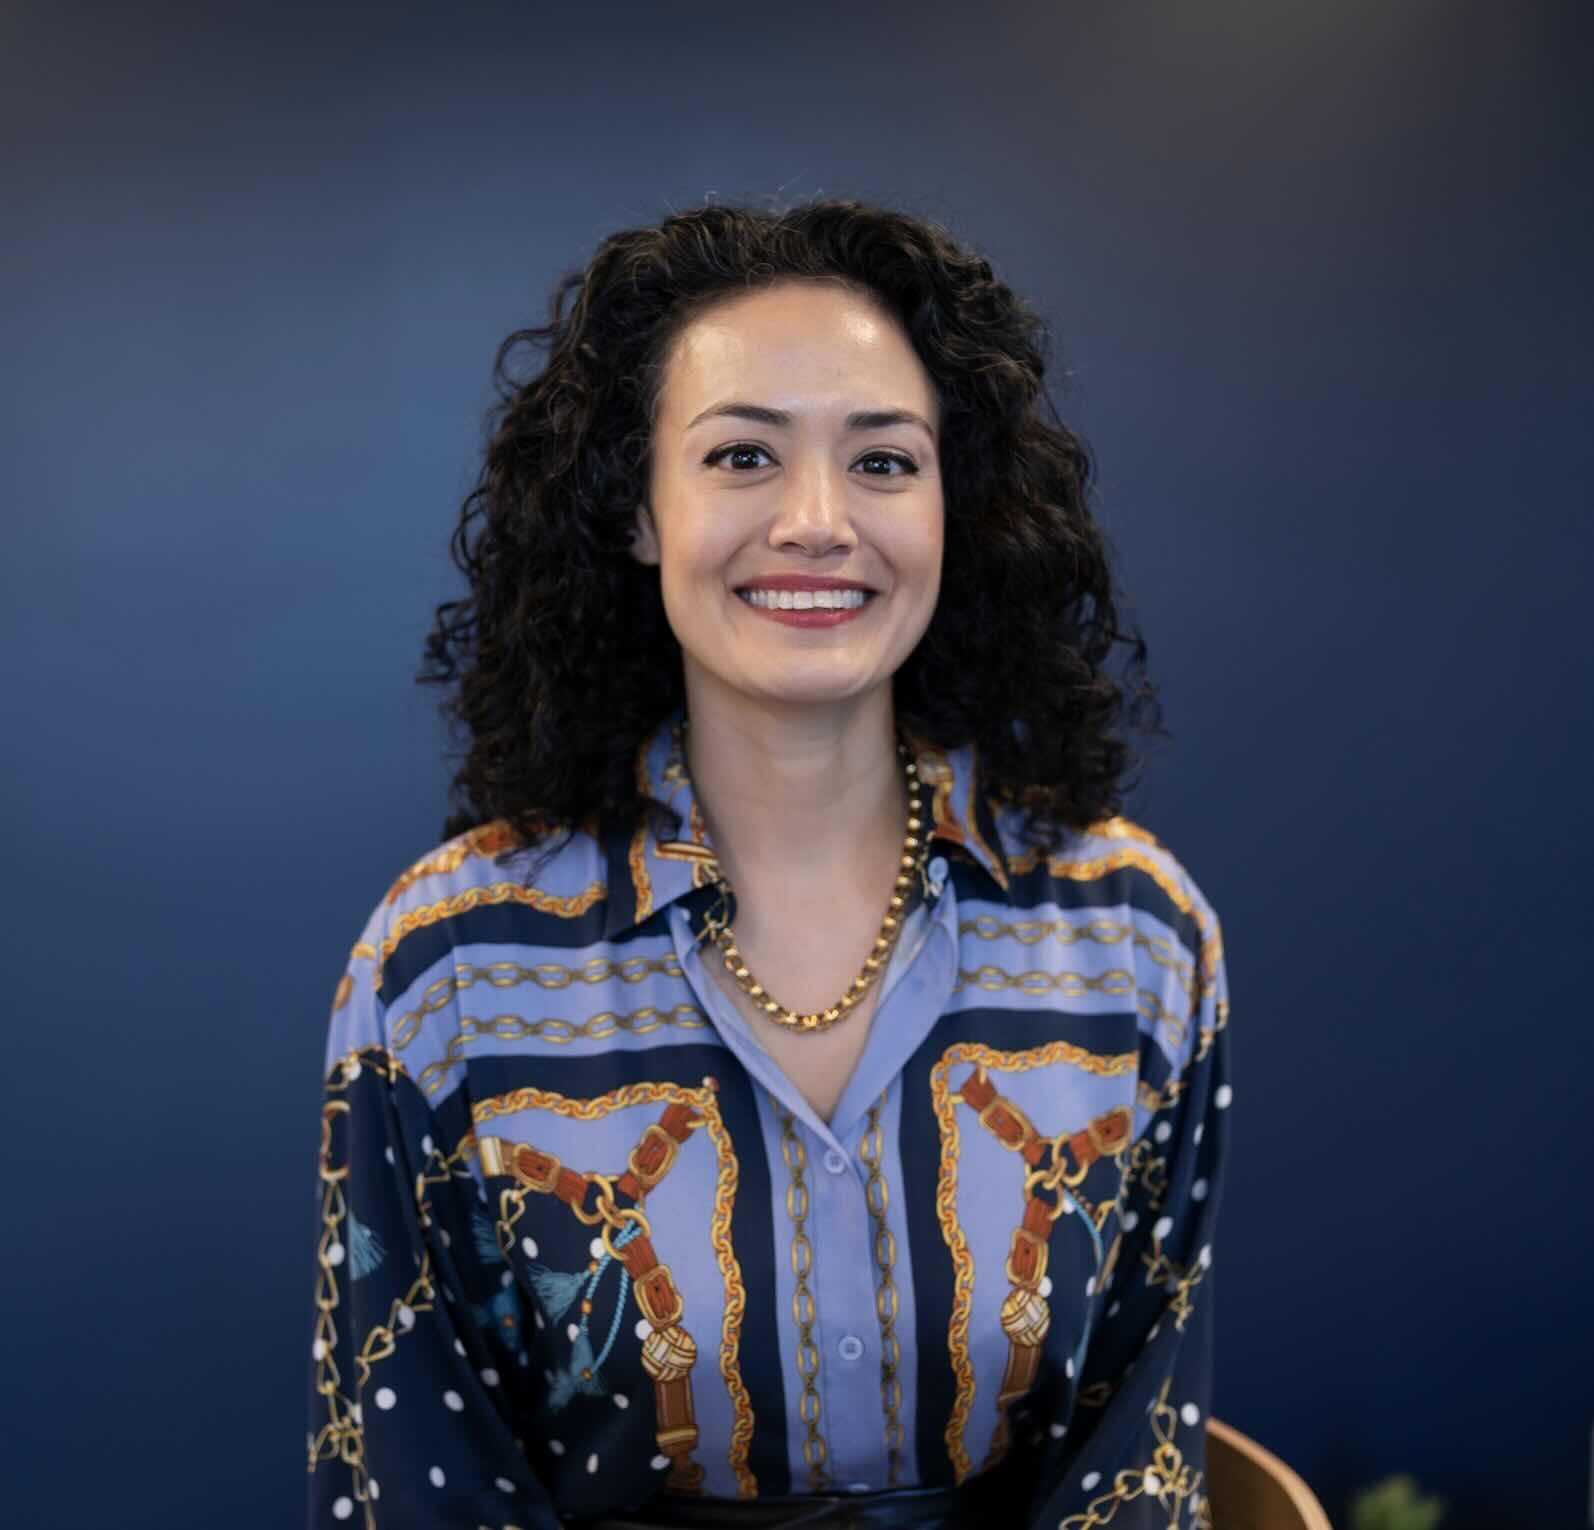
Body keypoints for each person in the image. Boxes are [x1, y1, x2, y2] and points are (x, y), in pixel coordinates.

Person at [305, 197, 1232, 1530]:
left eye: (883, 462)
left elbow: (1136, 1465)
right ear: (634, 510)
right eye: (740, 456)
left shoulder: (1134, 930)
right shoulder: (443, 963)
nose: (815, 520)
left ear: (953, 508)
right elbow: (415, 1481)